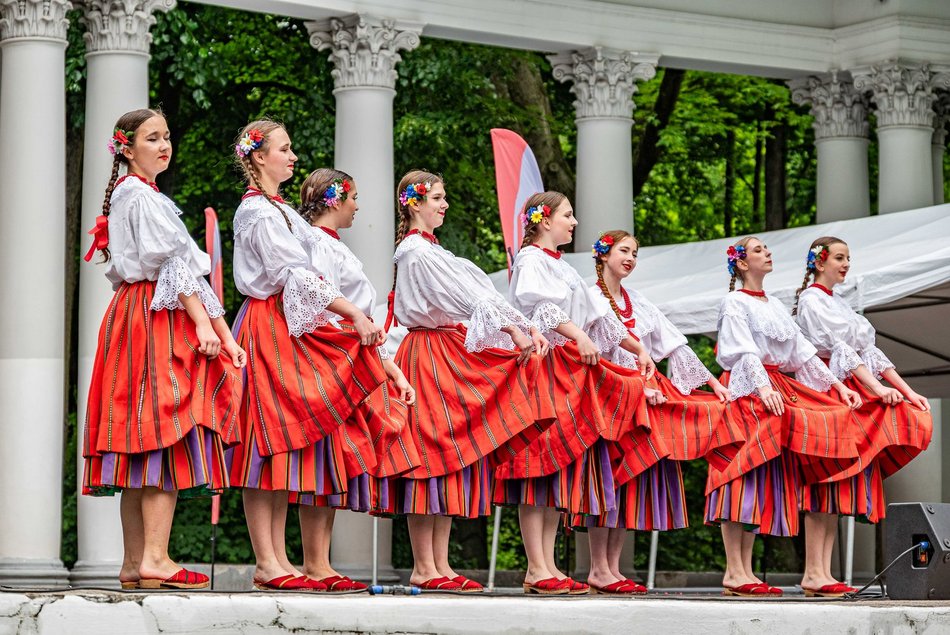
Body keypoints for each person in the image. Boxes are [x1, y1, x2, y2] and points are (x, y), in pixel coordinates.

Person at [82, 108, 245, 590]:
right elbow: (173, 267)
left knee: (139, 439)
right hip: (155, 316)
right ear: (127, 149)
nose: (164, 145)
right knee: (163, 428)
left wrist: (225, 331)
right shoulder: (140, 197)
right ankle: (155, 555)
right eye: (153, 138)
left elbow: (182, 271)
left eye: (167, 137)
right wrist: (207, 326)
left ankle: (136, 561)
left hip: (137, 313)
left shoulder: (138, 196)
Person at [228, 120, 388, 591]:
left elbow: (310, 271)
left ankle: (283, 560)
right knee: (266, 438)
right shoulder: (256, 212)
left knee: (286, 441)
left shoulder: (282, 212)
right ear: (259, 157)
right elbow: (293, 273)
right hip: (268, 324)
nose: (293, 156)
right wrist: (353, 314)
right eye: (285, 148)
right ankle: (268, 561)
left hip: (290, 324)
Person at [388, 170, 553, 592]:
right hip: (428, 354)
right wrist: (514, 329)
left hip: (446, 350)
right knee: (430, 455)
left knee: (448, 455)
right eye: (438, 198)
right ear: (414, 203)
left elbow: (481, 293)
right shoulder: (415, 252)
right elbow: (465, 299)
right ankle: (425, 566)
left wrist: (519, 323)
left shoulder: (434, 251)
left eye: (444, 197)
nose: (444, 205)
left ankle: (439, 564)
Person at [495, 193, 657, 595]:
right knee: (538, 463)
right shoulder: (532, 260)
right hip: (543, 366)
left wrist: (638, 349)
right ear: (544, 220)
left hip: (565, 369)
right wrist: (578, 334)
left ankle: (546, 564)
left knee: (554, 467)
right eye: (568, 215)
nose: (575, 221)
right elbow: (542, 311)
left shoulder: (562, 266)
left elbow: (598, 315)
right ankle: (536, 566)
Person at [578, 230, 743, 594]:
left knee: (631, 475)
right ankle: (598, 568)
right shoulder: (590, 297)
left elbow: (674, 344)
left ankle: (613, 568)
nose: (630, 258)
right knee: (610, 472)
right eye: (624, 250)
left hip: (644, 391)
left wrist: (713, 385)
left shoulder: (639, 301)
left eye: (635, 253)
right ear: (603, 255)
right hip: (609, 394)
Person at [705, 236, 862, 597]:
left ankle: (745, 571)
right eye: (758, 250)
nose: (768, 253)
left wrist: (837, 387)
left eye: (766, 249)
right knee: (739, 472)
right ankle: (734, 571)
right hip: (747, 388)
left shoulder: (774, 304)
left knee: (761, 477)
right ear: (742, 263)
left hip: (774, 387)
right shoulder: (734, 301)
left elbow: (803, 354)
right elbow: (741, 351)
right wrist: (762, 388)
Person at [290, 168, 420, 591]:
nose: (358, 206)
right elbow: (319, 303)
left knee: (337, 460)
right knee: (324, 457)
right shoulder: (316, 244)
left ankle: (319, 562)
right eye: (354, 197)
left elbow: (365, 321)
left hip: (351, 355)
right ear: (334, 199)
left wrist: (392, 369)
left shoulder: (332, 245)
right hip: (331, 355)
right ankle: (314, 562)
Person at [793, 236, 932, 597]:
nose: (846, 264)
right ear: (819, 262)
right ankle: (813, 571)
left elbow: (869, 351)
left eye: (848, 258)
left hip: (847, 393)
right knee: (823, 478)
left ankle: (821, 573)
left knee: (838, 481)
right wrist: (876, 388)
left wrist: (905, 390)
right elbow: (839, 349)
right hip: (823, 391)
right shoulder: (811, 300)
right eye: (839, 257)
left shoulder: (839, 302)